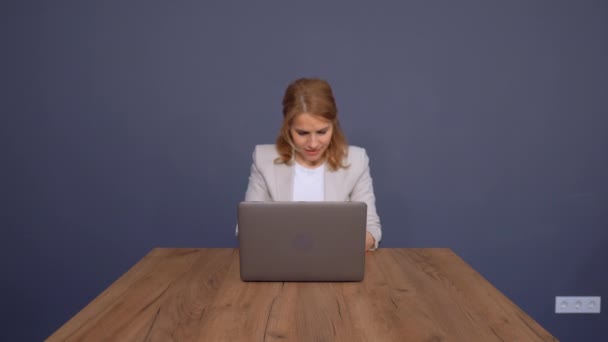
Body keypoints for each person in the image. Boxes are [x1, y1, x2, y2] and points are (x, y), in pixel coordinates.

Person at [242, 78, 381, 250]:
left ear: (333, 125)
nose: (313, 143)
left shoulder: (356, 160)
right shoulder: (263, 159)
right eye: (302, 133)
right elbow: (247, 230)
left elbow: (371, 231)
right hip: (280, 267)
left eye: (322, 132)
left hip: (334, 266)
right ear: (288, 128)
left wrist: (321, 245)